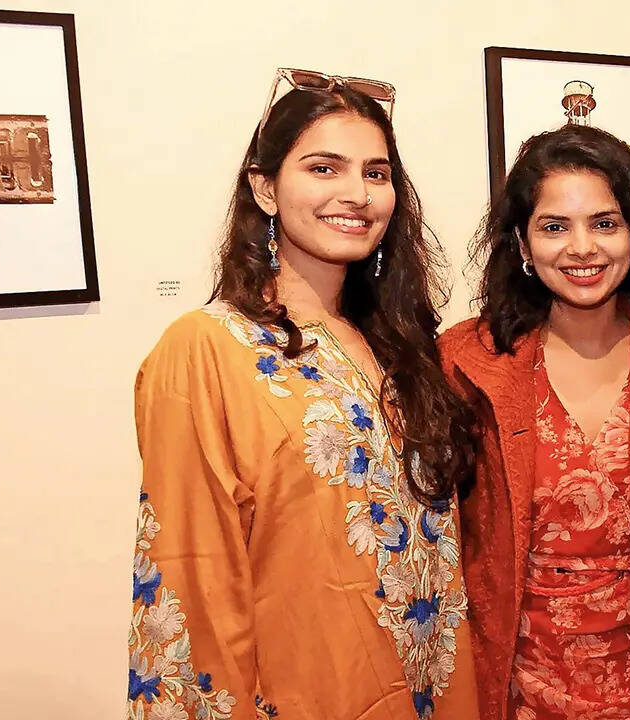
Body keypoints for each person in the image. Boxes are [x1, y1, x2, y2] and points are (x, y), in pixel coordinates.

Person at [128, 68, 479, 720]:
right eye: (324, 168)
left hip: (427, 688)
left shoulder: (397, 345)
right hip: (300, 694)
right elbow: (191, 583)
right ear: (265, 188)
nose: (357, 194)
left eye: (377, 174)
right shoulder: (205, 350)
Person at [440, 124, 630, 720]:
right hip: (515, 691)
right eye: (554, 227)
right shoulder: (465, 364)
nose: (582, 247)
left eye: (604, 222)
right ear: (521, 243)